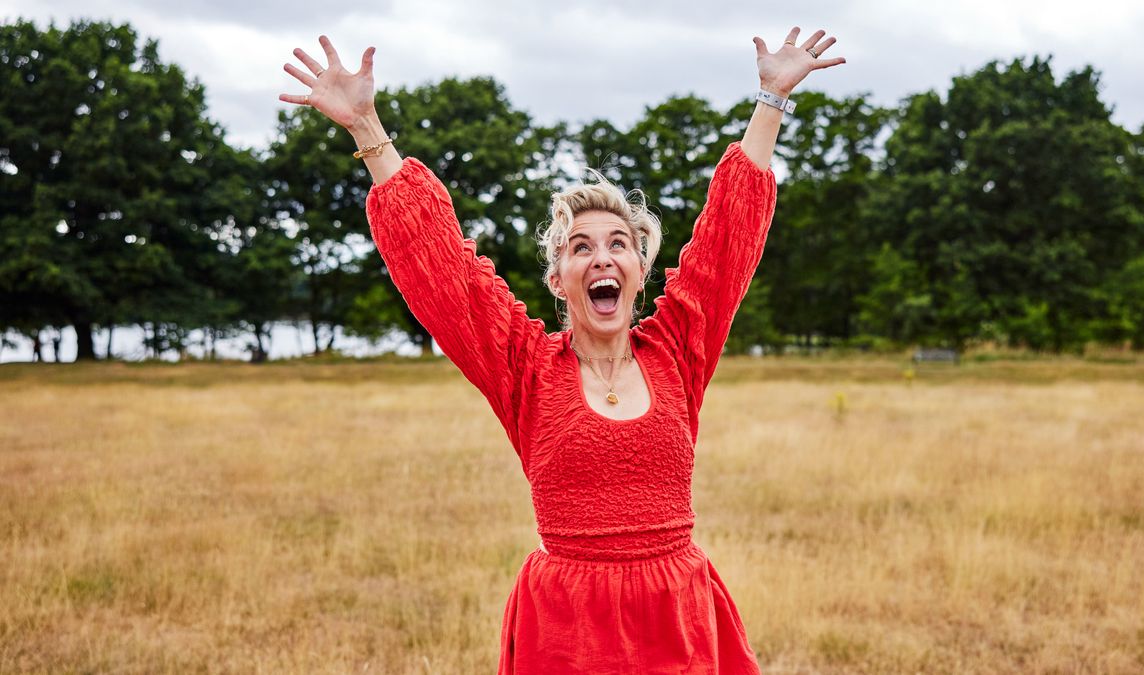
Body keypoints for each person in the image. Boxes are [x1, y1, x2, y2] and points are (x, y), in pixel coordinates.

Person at [280, 26, 845, 674]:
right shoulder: (526, 368)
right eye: (581, 246)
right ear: (559, 279)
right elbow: (447, 275)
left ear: (639, 269)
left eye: (618, 243)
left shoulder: (678, 349)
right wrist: (368, 129)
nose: (601, 255)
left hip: (677, 619)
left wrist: (770, 100)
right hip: (567, 628)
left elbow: (726, 240)